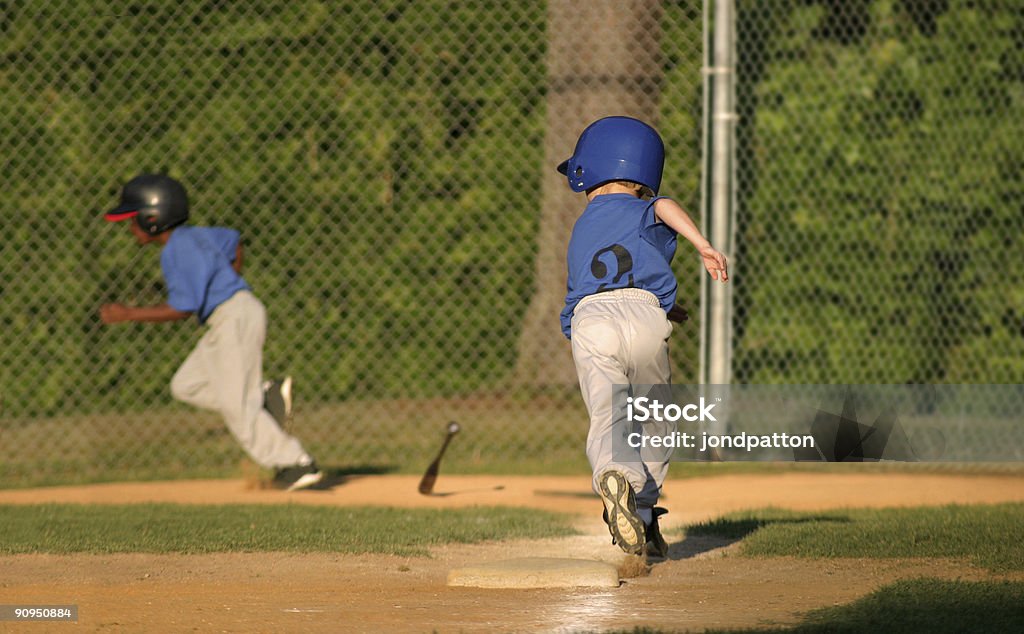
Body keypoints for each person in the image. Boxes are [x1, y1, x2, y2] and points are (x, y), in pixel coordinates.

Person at [557, 116, 729, 557]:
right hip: (648, 318)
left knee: (609, 417)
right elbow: (663, 207)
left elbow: (596, 290)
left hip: (590, 321)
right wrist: (701, 244)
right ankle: (646, 515)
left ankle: (616, 476)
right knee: (656, 422)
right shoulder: (643, 207)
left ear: (591, 171)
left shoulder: (582, 226)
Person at [99, 173, 323, 491]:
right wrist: (229, 277)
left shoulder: (174, 252)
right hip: (232, 316)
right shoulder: (195, 236)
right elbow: (233, 240)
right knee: (187, 385)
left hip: (232, 317)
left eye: (133, 220)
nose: (130, 228)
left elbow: (182, 308)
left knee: (236, 405)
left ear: (153, 219)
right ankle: (263, 397)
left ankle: (296, 463)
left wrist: (128, 314)